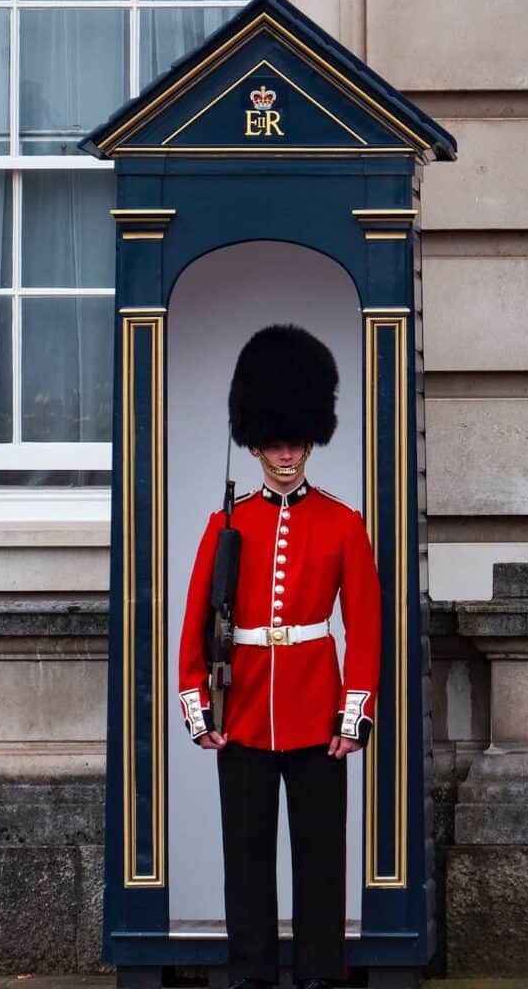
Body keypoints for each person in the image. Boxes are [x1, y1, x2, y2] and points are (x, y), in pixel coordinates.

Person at [178, 325, 382, 989]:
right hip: (241, 709)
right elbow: (195, 626)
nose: (286, 456)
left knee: (320, 858)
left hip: (316, 711)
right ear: (255, 443)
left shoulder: (342, 523)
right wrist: (197, 707)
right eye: (274, 444)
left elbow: (366, 628)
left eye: (294, 442)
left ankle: (320, 975)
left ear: (310, 439)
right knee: (246, 858)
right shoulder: (226, 523)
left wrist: (353, 716)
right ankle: (250, 976)